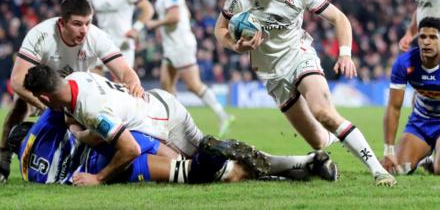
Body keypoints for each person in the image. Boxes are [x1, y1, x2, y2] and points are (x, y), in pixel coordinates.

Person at [214, 0, 395, 186]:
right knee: (320, 141)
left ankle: (378, 170)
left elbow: (339, 18)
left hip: (300, 57)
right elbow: (220, 29)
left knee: (323, 112)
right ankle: (334, 142)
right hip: (272, 74)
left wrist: (344, 54)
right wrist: (235, 47)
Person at [22, 64, 338, 186]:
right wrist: (77, 128)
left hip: (162, 124)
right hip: (161, 104)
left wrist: (99, 179)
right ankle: (307, 163)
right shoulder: (76, 79)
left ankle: (294, 166)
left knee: (219, 173)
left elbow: (129, 148)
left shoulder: (90, 109)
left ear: (46, 96)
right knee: (219, 167)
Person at [0, 0, 143, 183]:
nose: (84, 30)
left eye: (88, 23)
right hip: (44, 86)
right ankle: (3, 159)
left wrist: (134, 83)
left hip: (77, 90)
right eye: (77, 24)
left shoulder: (96, 37)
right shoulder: (40, 35)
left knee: (93, 122)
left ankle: (94, 161)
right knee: (20, 106)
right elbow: (18, 80)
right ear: (62, 23)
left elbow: (125, 70)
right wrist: (43, 104)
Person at [7, 110, 272, 185]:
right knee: (138, 140)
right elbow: (62, 103)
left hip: (100, 168)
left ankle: (219, 167)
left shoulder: (27, 173)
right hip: (105, 151)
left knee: (183, 172)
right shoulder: (37, 130)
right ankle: (219, 161)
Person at [382, 17, 440, 176]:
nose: (426, 42)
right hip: (420, 122)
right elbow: (393, 107)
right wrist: (388, 151)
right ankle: (424, 156)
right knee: (398, 168)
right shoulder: (403, 64)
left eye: (433, 37)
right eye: (422, 37)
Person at [146, 0, 233, 137]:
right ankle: (173, 123)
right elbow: (185, 15)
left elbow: (175, 16)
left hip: (180, 46)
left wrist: (155, 24)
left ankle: (223, 115)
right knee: (166, 83)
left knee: (193, 85)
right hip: (172, 46)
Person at [87, 0, 154, 68]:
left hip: (123, 42)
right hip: (101, 41)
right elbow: (86, 16)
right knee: (95, 78)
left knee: (123, 82)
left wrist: (136, 29)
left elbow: (148, 9)